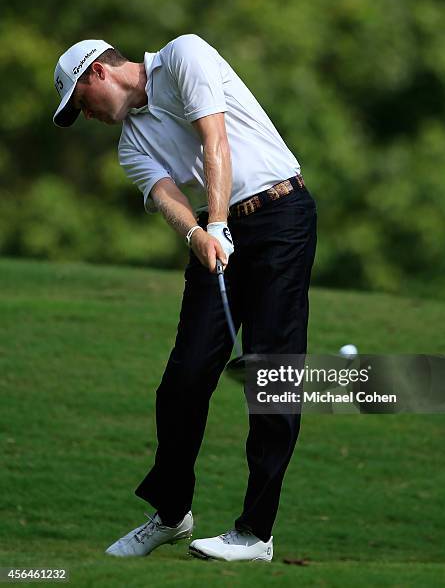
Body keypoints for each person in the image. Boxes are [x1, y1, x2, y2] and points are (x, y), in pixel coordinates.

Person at [53, 35, 317, 562]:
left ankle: (255, 534)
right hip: (213, 235)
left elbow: (213, 140)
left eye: (82, 103)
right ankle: (172, 514)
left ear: (97, 75)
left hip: (280, 217)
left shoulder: (183, 56)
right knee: (183, 379)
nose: (88, 116)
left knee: (271, 375)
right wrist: (199, 235)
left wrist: (215, 223)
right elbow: (167, 195)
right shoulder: (131, 143)